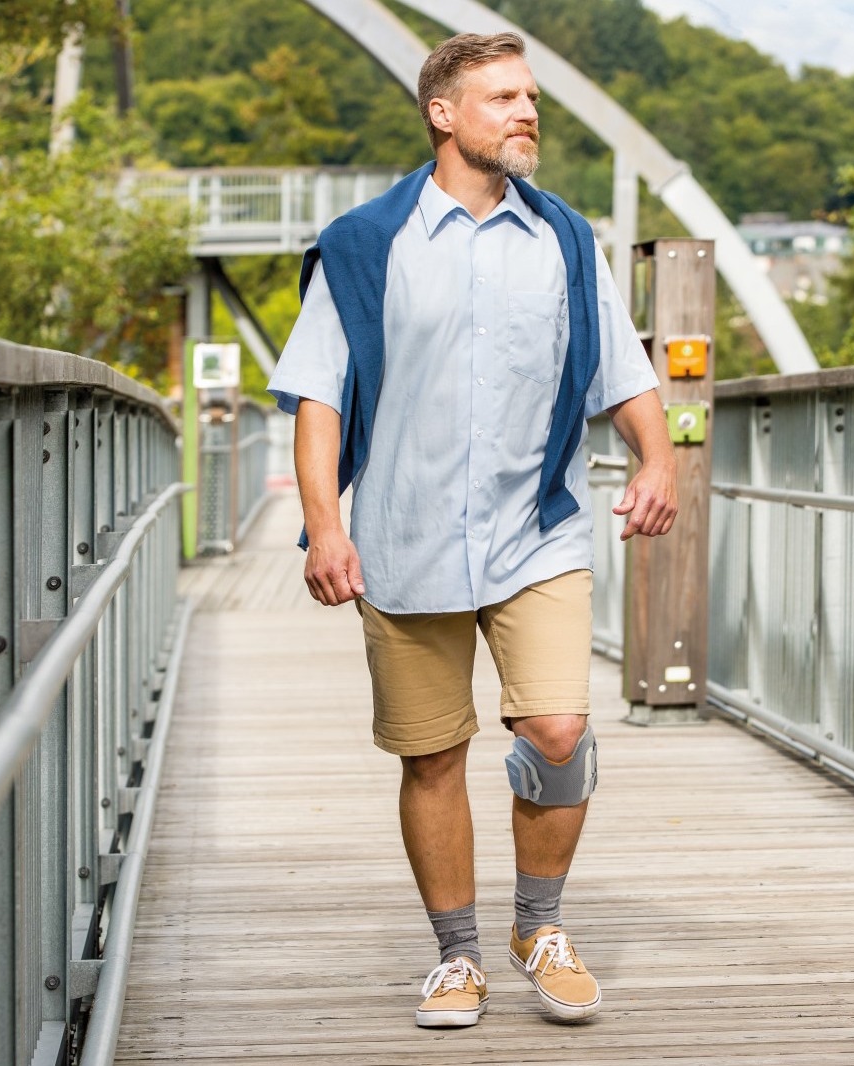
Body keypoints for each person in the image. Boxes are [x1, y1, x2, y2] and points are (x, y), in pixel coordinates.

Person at [268, 31, 677, 1028]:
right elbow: (319, 396)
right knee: (432, 754)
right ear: (443, 115)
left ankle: (538, 925)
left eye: (531, 97)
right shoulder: (367, 245)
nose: (527, 113)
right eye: (501, 97)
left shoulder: (566, 240)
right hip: (403, 538)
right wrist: (325, 526)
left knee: (558, 731)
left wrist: (659, 459)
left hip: (537, 527)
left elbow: (621, 369)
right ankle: (455, 955)